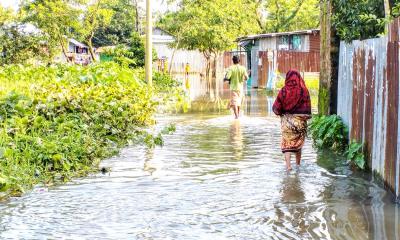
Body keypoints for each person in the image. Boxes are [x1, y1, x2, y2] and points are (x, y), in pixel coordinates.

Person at [272, 69, 311, 171]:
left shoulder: (283, 91)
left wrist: (281, 113)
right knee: (298, 144)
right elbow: (307, 109)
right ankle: (298, 165)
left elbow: (276, 107)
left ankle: (288, 166)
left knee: (287, 144)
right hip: (300, 123)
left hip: (287, 123)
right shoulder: (304, 91)